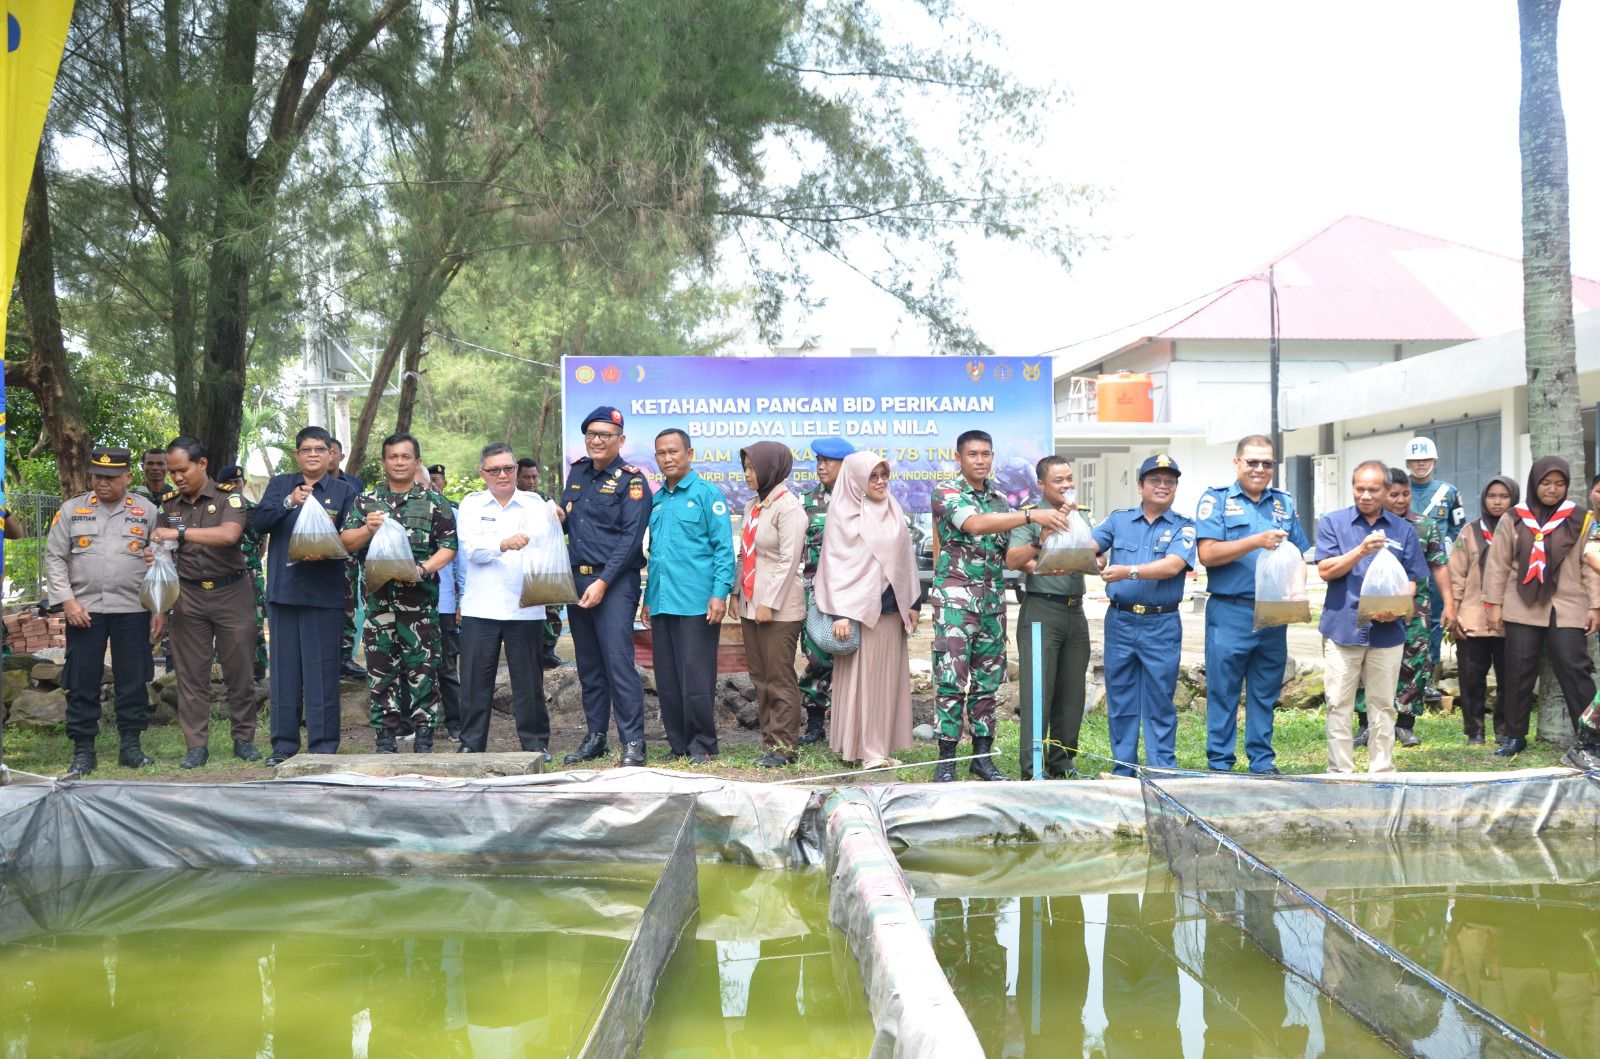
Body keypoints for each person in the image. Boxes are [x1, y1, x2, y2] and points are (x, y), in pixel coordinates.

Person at [930, 430, 1069, 782]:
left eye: (986, 454)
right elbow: (974, 525)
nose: (980, 460)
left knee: (987, 684)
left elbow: (1011, 558)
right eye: (973, 454)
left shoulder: (999, 498)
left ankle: (982, 758)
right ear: (959, 457)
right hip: (956, 604)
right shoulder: (946, 492)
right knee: (950, 681)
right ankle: (946, 760)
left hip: (992, 603)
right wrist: (1031, 517)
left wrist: (1042, 548)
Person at [1196, 434, 1312, 774]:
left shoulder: (1283, 504)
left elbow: (1299, 553)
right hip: (1231, 610)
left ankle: (1262, 761)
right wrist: (1255, 541)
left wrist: (1297, 591)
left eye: (1267, 463)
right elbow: (1208, 554)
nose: (1260, 469)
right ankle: (1220, 762)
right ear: (1237, 463)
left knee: (1265, 691)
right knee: (1224, 690)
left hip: (1274, 611)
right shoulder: (1216, 500)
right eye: (1252, 462)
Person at [44, 446, 160, 776]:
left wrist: (159, 606)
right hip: (84, 609)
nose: (102, 482)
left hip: (133, 608)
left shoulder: (147, 510)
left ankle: (131, 747)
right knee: (81, 680)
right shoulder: (72, 510)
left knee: (133, 679)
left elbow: (164, 557)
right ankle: (83, 751)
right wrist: (67, 601)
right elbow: (54, 557)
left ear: (128, 477)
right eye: (97, 476)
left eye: (110, 477)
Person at [339, 434, 458, 753]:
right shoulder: (366, 501)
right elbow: (345, 542)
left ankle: (423, 735)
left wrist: (423, 569)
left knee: (423, 670)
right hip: (379, 606)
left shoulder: (434, 502)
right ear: (384, 462)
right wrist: (368, 529)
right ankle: (385, 736)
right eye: (393, 457)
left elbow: (448, 547)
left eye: (406, 457)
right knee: (380, 672)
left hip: (420, 606)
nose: (400, 462)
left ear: (417, 462)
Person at [253, 426, 359, 766]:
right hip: (284, 593)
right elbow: (259, 523)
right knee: (284, 675)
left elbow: (351, 537)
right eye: (306, 449)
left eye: (320, 449)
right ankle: (283, 746)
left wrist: (328, 550)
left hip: (324, 594)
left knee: (323, 673)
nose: (313, 454)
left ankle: (323, 746)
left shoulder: (345, 491)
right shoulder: (282, 485)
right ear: (298, 455)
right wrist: (288, 502)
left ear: (331, 455)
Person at [1316, 460, 1429, 773]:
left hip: (1387, 631)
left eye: (1373, 489)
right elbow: (1326, 570)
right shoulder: (1334, 523)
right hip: (1344, 628)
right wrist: (1360, 551)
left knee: (1382, 704)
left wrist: (1393, 607)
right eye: (1359, 488)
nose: (1365, 495)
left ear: (1386, 491)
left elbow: (1411, 579)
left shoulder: (1403, 530)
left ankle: (1381, 769)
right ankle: (1340, 771)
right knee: (1339, 703)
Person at [155, 436, 261, 767]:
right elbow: (160, 558)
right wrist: (159, 607)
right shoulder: (168, 506)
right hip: (188, 595)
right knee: (191, 674)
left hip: (232, 593)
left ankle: (243, 738)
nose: (177, 477)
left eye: (182, 470)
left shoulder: (230, 499)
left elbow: (229, 535)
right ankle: (196, 746)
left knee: (239, 670)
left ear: (202, 464)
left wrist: (180, 534)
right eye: (172, 473)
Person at [1483, 456, 1600, 757]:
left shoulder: (1581, 518)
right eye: (1546, 483)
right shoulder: (1515, 517)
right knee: (1518, 670)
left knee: (1575, 670)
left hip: (1568, 604)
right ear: (1535, 483)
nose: (1552, 489)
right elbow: (1497, 564)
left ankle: (1591, 737)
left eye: (1560, 484)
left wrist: (1596, 606)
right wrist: (1493, 605)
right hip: (1522, 604)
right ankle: (1514, 735)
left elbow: (1590, 565)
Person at [1090, 454, 1197, 776]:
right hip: (1120, 621)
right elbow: (1089, 545)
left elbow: (1173, 566)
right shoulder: (1118, 521)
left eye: (1169, 481)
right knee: (1120, 697)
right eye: (1155, 480)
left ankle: (1162, 770)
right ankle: (1123, 769)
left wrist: (1128, 571)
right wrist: (1091, 557)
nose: (1163, 486)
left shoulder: (1184, 526)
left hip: (1160, 623)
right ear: (1140, 486)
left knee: (1160, 699)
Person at [814, 452, 922, 770]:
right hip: (858, 612)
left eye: (884, 475)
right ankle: (867, 750)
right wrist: (840, 613)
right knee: (865, 681)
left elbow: (905, 558)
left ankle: (881, 747)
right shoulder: (843, 513)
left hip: (890, 610)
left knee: (887, 680)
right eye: (872, 476)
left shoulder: (892, 508)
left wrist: (912, 603)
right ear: (857, 479)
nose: (880, 482)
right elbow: (835, 566)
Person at [562, 408, 651, 767]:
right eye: (592, 434)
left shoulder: (633, 480)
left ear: (621, 440)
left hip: (614, 583)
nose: (597, 440)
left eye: (606, 435)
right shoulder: (578, 471)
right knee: (589, 665)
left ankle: (633, 742)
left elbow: (631, 540)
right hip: (576, 580)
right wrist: (558, 518)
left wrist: (602, 582)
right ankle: (595, 736)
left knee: (618, 662)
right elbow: (574, 522)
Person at [641, 429, 734, 764]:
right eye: (661, 453)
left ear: (689, 454)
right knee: (666, 679)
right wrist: (648, 599)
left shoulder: (709, 495)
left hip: (697, 603)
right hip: (663, 601)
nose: (667, 458)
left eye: (673, 452)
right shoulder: (658, 499)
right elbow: (656, 554)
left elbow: (724, 550)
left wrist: (720, 593)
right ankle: (678, 744)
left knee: (696, 678)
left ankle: (703, 745)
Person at [456, 442, 552, 755]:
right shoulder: (472, 505)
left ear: (516, 470)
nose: (502, 475)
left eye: (508, 468)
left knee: (529, 683)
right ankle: (471, 744)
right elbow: (472, 550)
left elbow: (547, 544)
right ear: (482, 473)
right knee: (474, 682)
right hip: (481, 607)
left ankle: (535, 744)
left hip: (526, 606)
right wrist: (503, 543)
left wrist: (557, 518)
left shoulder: (535, 503)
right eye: (494, 469)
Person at [1353, 468, 1455, 749]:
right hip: (1373, 605)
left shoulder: (1424, 526)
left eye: (1406, 494)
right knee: (1367, 662)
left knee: (1416, 663)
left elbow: (1439, 565)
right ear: (1384, 493)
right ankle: (1365, 724)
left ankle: (1405, 724)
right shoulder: (1365, 526)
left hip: (1414, 606)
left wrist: (1449, 603)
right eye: (1394, 494)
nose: (1400, 500)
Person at [1005, 456, 1091, 779]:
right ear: (1041, 484)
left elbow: (1094, 552)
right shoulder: (1030, 516)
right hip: (1042, 609)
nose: (1067, 485)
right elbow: (1014, 559)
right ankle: (1034, 768)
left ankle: (1062, 762)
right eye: (1059, 480)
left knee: (1072, 693)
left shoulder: (1081, 515)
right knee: (1038, 693)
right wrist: (1040, 541)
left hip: (1075, 610)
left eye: (1069, 478)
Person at [736, 441, 807, 767]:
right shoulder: (755, 504)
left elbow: (788, 561)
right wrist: (738, 595)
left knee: (779, 677)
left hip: (778, 609)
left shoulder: (788, 507)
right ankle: (770, 742)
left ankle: (784, 747)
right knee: (760, 677)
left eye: (753, 468)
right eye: (746, 468)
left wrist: (768, 602)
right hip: (752, 604)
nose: (748, 474)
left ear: (770, 468)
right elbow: (745, 554)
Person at [1449, 476, 1519, 746]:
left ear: (1514, 498)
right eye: (1492, 496)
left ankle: (1503, 729)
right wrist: (1454, 613)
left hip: (1509, 619)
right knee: (1471, 679)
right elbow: (1457, 574)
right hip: (1473, 618)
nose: (1498, 501)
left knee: (1508, 679)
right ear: (1484, 499)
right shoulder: (1469, 531)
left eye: (1504, 496)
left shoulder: (1521, 530)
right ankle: (1474, 731)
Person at [798, 436, 855, 746]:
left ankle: (852, 724)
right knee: (817, 656)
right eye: (818, 460)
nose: (821, 466)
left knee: (853, 657)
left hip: (853, 593)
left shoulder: (862, 500)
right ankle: (816, 722)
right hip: (816, 593)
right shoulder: (807, 502)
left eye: (829, 461)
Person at [1405, 436, 1465, 698]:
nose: (1421, 465)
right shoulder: (1398, 490)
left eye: (1426, 459)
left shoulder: (1448, 492)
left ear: (1434, 461)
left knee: (1434, 620)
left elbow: (1458, 527)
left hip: (1436, 565)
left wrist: (1447, 552)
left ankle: (1429, 677)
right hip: (1404, 564)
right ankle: (1403, 675)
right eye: (1416, 460)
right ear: (1408, 462)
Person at [217, 464, 268, 682]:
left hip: (251, 576)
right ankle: (223, 673)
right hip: (222, 576)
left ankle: (257, 673)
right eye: (229, 483)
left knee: (254, 624)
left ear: (243, 484)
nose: (234, 486)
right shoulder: (214, 510)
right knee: (223, 624)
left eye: (237, 482)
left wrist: (251, 562)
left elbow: (262, 543)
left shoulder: (255, 510)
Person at [328, 437, 368, 681]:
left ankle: (344, 657)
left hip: (347, 556)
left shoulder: (353, 484)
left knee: (348, 604)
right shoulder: (306, 484)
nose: (328, 456)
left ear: (340, 456)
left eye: (333, 452)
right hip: (314, 555)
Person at [518, 456, 564, 668]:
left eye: (534, 477)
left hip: (546, 563)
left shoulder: (545, 500)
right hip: (520, 565)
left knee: (552, 609)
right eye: (526, 477)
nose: (531, 482)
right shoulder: (512, 500)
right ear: (517, 478)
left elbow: (557, 530)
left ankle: (548, 649)